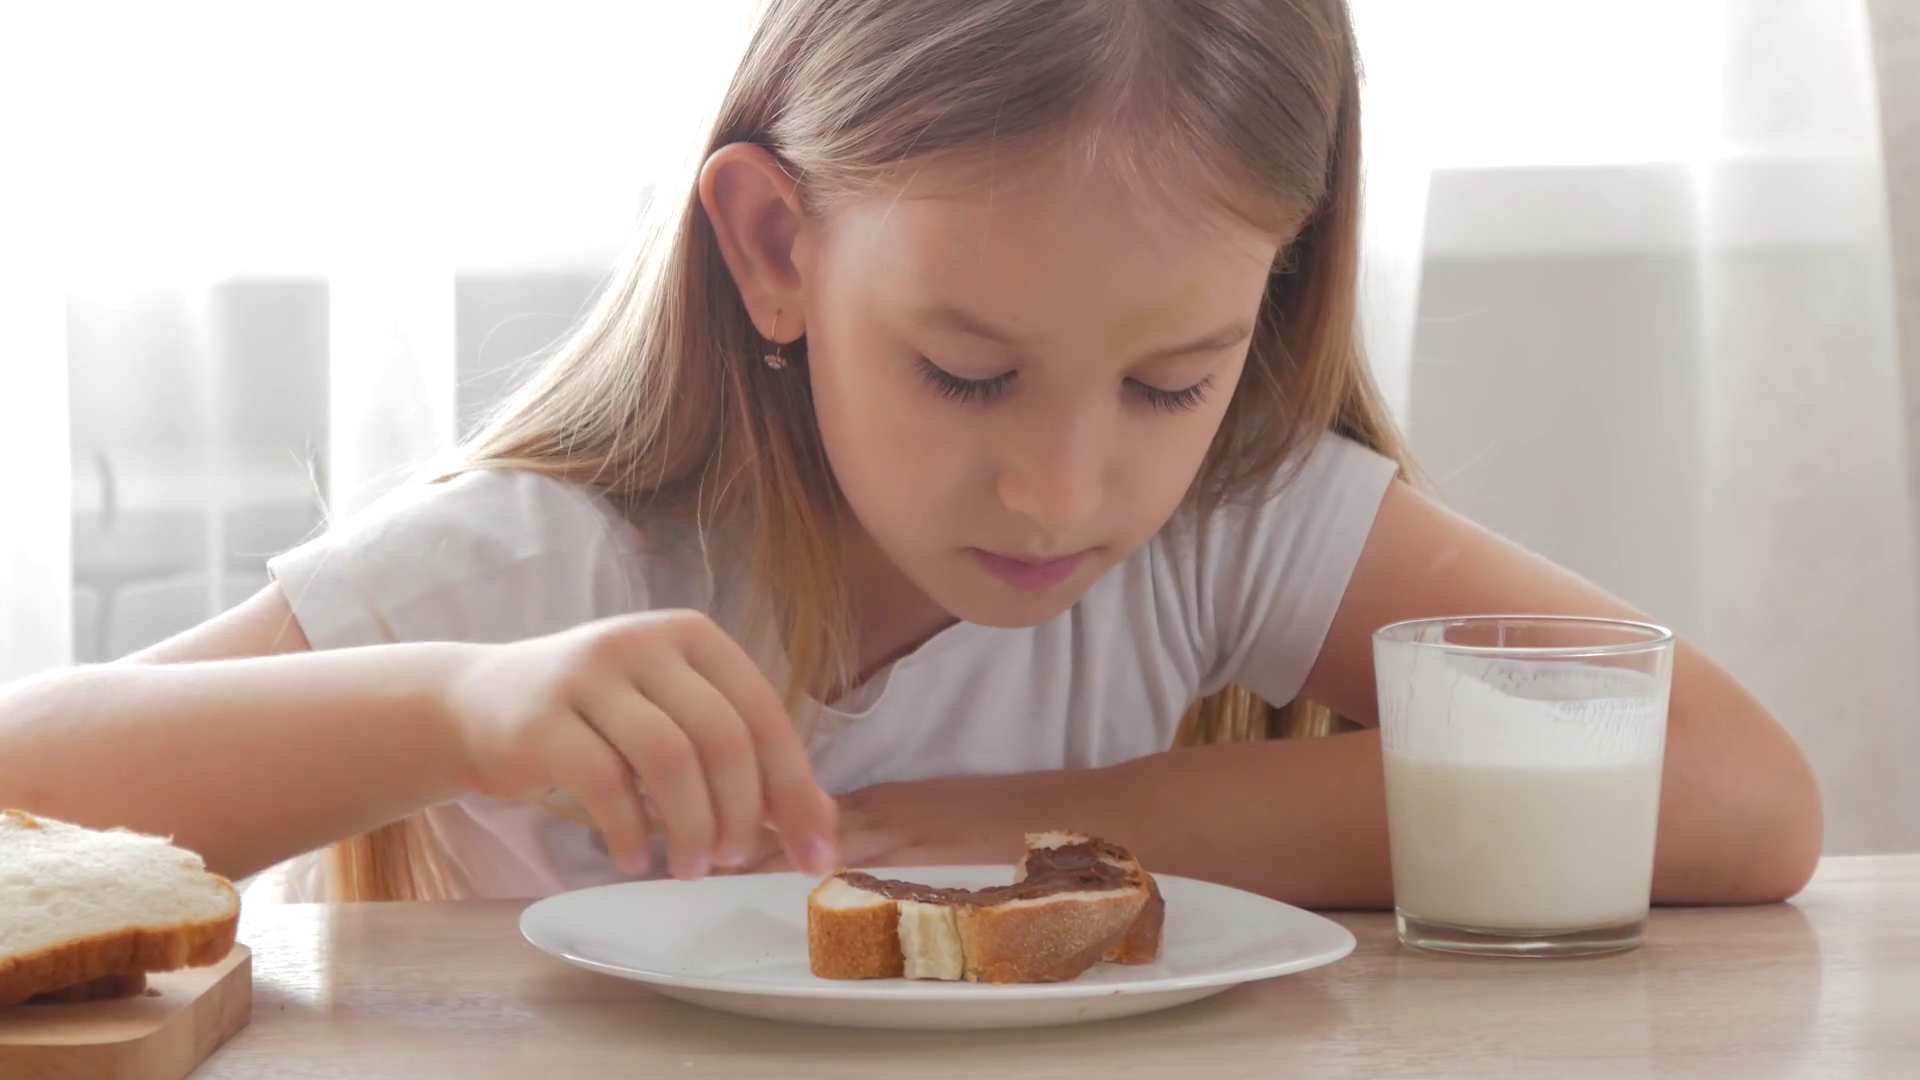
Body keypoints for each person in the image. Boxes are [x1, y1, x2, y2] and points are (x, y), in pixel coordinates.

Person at [0, 0, 1821, 907]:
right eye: (965, 375)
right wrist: (452, 710)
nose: (1066, 490)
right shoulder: (564, 564)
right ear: (778, 251)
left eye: (1172, 383)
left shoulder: (1230, 528)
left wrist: (1068, 829)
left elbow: (1740, 800)